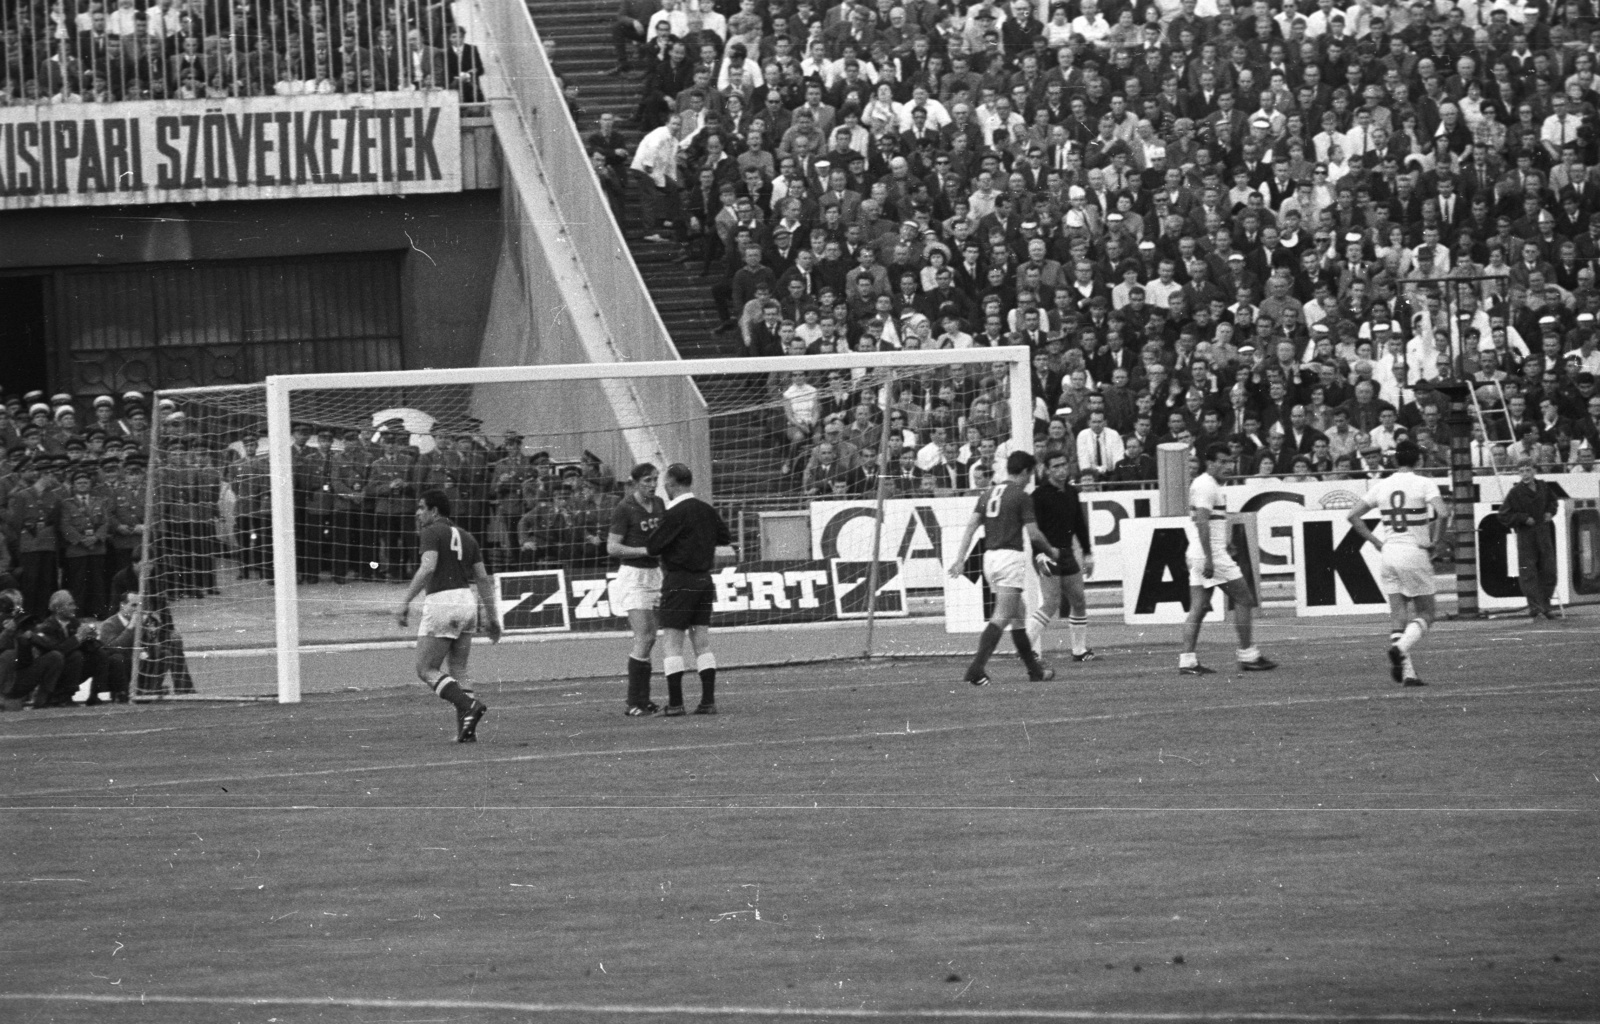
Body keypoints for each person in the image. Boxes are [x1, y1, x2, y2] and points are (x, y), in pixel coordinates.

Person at [946, 451, 1061, 687]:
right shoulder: (1021, 496)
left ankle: (1034, 671)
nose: (1031, 480)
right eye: (1030, 474)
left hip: (990, 558)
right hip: (1009, 558)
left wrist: (960, 559)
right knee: (1003, 615)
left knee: (1019, 615)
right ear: (1025, 472)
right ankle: (975, 669)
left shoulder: (989, 493)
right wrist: (1052, 551)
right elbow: (1033, 533)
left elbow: (970, 527)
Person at [394, 489, 501, 742]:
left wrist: (405, 602)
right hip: (466, 602)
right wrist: (493, 618)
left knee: (425, 668)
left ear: (434, 511)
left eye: (421, 507)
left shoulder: (431, 532)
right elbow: (483, 579)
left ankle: (469, 706)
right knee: (459, 668)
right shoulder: (467, 537)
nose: (418, 513)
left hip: (443, 601)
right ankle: (467, 732)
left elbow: (428, 566)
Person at [1346, 440, 1449, 687]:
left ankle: (1408, 673)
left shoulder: (1382, 485)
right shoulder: (1425, 483)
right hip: (1414, 551)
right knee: (1426, 612)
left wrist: (1375, 542)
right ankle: (1401, 649)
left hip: (1389, 552)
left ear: (1395, 460)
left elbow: (1352, 515)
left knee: (1398, 614)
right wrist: (1436, 540)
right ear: (1419, 461)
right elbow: (1443, 513)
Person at [1179, 444, 1276, 676]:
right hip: (1209, 554)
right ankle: (1247, 654)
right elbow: (1202, 522)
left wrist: (1223, 543)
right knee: (1244, 598)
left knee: (1199, 608)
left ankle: (1187, 660)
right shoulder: (1206, 486)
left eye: (1230, 462)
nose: (1228, 466)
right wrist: (1211, 558)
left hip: (1200, 552)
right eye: (1222, 462)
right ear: (1209, 463)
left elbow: (1208, 522)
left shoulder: (1207, 485)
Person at [643, 463, 731, 715]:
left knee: (672, 644)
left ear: (671, 484)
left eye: (666, 485)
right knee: (701, 643)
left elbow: (653, 546)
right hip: (704, 580)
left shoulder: (674, 513)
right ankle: (707, 701)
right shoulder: (706, 509)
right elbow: (724, 537)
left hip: (680, 581)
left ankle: (675, 703)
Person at [606, 463, 667, 716]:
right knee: (643, 636)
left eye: (655, 480)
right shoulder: (625, 508)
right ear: (634, 482)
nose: (652, 485)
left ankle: (644, 700)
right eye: (647, 481)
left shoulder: (660, 504)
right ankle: (634, 701)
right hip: (633, 576)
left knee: (651, 637)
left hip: (654, 574)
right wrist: (644, 550)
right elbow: (612, 547)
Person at [1027, 451, 1097, 663]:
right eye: (1055, 466)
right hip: (1045, 555)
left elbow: (1079, 525)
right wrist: (1045, 553)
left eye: (1063, 465)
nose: (1061, 470)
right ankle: (1025, 646)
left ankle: (1079, 650)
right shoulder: (1038, 497)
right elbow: (1034, 533)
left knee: (1078, 600)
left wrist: (1087, 552)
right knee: (1051, 602)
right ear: (1047, 470)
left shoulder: (1072, 493)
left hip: (1066, 552)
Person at [1497, 457, 1561, 620]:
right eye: (1521, 471)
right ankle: (1536, 608)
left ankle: (1546, 606)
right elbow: (1503, 515)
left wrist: (1550, 512)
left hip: (1543, 532)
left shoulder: (1544, 487)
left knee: (1549, 570)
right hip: (1526, 535)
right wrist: (1522, 518)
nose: (1525, 474)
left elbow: (1553, 503)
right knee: (1529, 572)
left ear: (1534, 470)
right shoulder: (1515, 492)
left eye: (1528, 470)